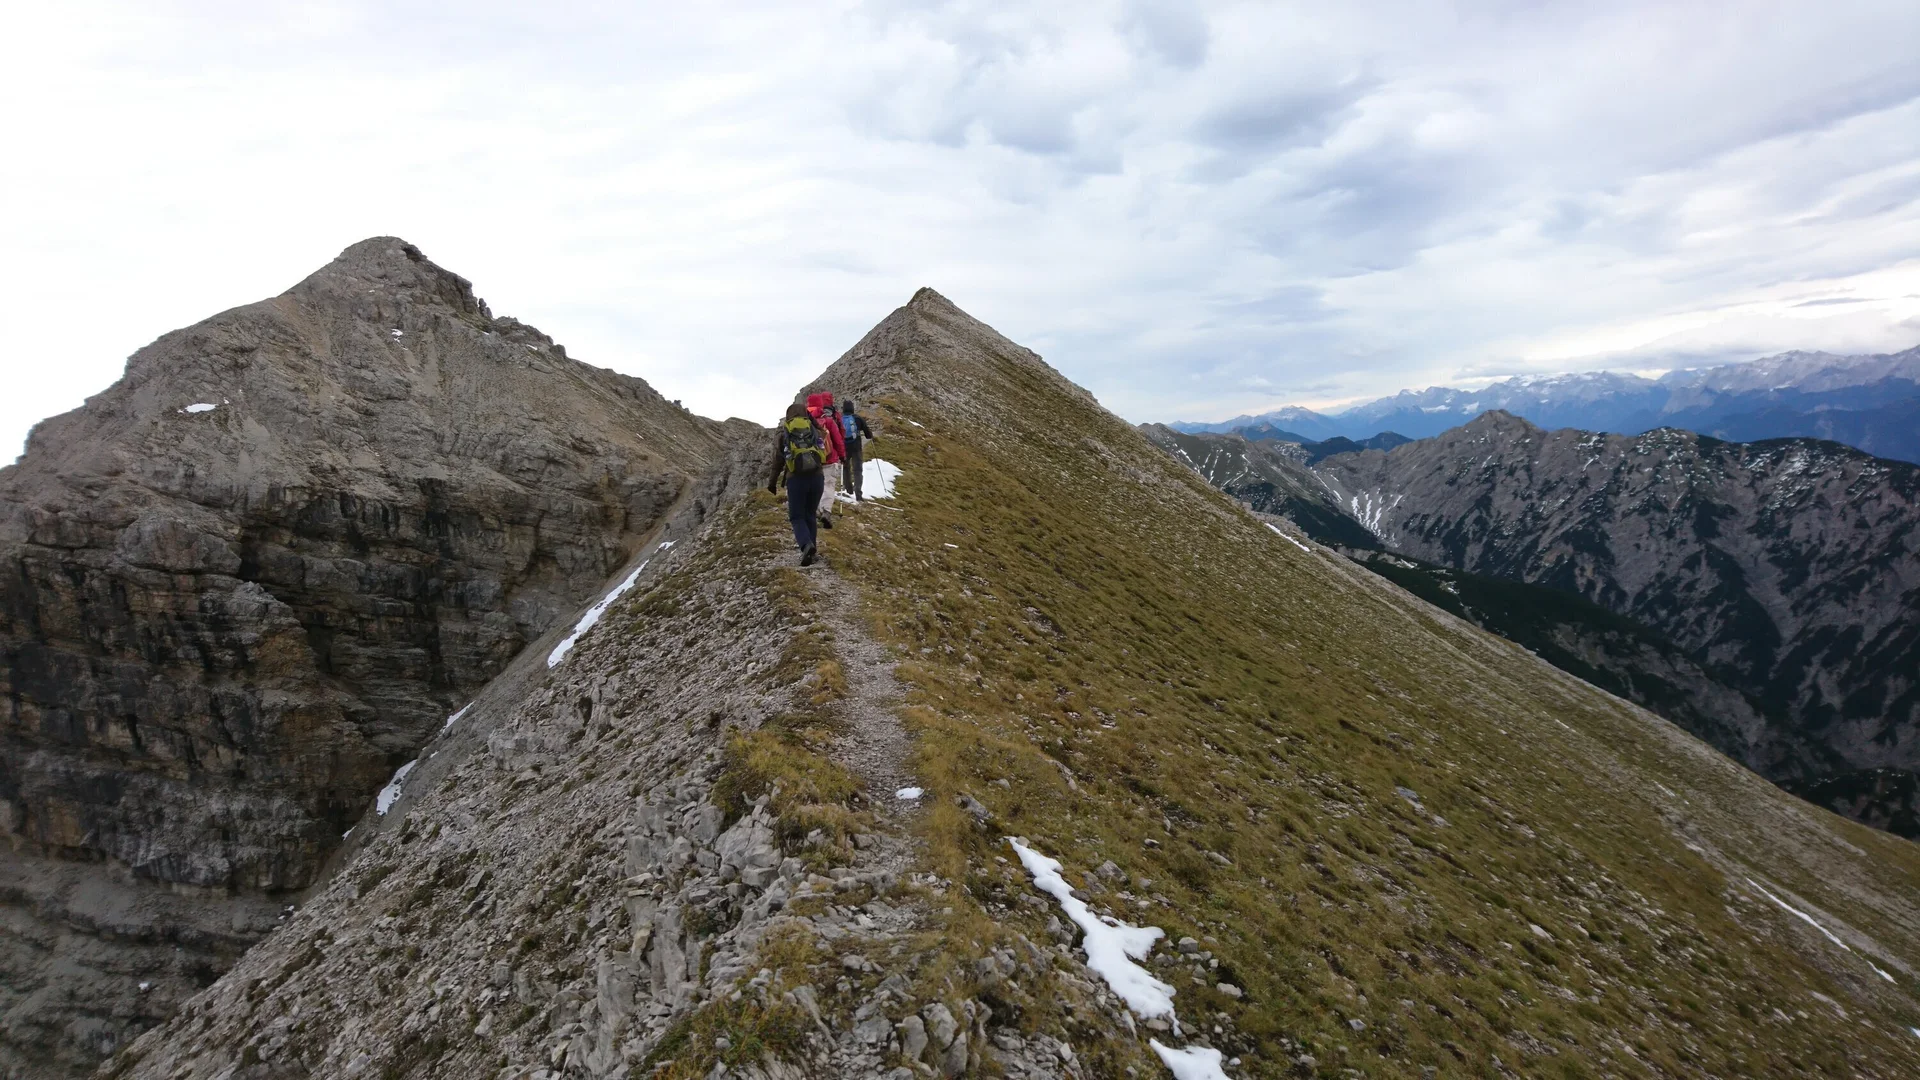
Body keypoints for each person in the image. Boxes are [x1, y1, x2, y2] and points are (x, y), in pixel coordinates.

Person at [768, 402, 827, 565]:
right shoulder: (815, 431)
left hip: (796, 479)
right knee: (810, 514)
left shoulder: (783, 434)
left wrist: (772, 483)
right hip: (817, 478)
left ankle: (806, 545)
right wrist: (813, 422)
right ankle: (812, 550)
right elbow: (826, 436)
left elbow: (777, 461)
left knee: (796, 516)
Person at [804, 392, 846, 528]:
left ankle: (814, 509)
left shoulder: (803, 420)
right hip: (829, 458)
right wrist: (842, 455)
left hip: (810, 460)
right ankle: (826, 511)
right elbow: (838, 439)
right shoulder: (829, 420)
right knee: (828, 485)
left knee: (812, 486)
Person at [839, 400, 876, 501]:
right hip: (856, 448)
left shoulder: (840, 419)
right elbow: (868, 434)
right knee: (857, 470)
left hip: (844, 448)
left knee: (846, 468)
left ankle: (848, 489)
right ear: (852, 408)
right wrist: (870, 435)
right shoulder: (858, 418)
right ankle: (858, 493)